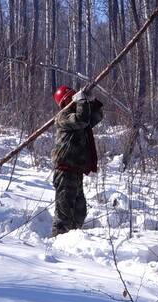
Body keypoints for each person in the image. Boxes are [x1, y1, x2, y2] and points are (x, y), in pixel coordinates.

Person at [50, 85, 104, 237]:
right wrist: (81, 102)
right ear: (65, 101)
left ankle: (72, 240)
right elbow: (81, 120)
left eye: (75, 96)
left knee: (80, 212)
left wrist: (92, 101)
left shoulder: (80, 117)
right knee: (64, 214)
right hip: (65, 171)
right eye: (71, 97)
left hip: (76, 171)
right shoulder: (63, 116)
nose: (74, 99)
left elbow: (95, 117)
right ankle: (56, 242)